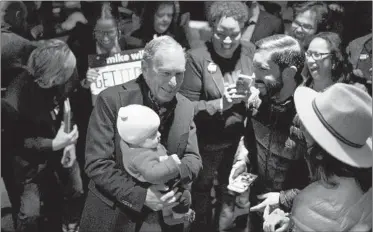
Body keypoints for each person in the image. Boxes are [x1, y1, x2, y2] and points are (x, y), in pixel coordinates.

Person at [79, 35, 202, 232]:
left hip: (164, 219)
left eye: (179, 74)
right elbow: (97, 163)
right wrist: (142, 196)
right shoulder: (112, 100)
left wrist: (170, 181)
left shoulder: (185, 107)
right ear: (144, 69)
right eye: (165, 73)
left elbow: (193, 159)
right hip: (114, 217)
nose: (173, 82)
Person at [178, 1, 255, 231]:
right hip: (207, 143)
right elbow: (186, 107)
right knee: (201, 193)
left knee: (230, 192)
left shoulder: (249, 50)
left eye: (235, 34)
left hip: (240, 141)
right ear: (211, 29)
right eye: (221, 34)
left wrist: (255, 95)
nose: (228, 41)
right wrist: (220, 104)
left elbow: (261, 83)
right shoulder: (196, 57)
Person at [262, 83, 372, 232]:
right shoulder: (365, 184)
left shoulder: (308, 204)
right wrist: (294, 224)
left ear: (321, 152)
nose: (302, 130)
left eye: (311, 127)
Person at [3, 39, 84, 232]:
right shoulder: (13, 101)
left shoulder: (69, 72)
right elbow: (15, 143)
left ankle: (71, 225)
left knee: (76, 190)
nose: (73, 74)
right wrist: (53, 144)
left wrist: (69, 143)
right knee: (30, 214)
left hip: (61, 142)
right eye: (68, 72)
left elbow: (67, 103)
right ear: (50, 78)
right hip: (29, 162)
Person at [229, 34, 306, 231]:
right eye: (254, 67)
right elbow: (248, 140)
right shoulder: (255, 102)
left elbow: (326, 181)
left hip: (296, 216)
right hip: (258, 204)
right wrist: (242, 161)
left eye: (263, 70)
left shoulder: (311, 117)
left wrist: (283, 199)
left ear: (289, 73)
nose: (254, 78)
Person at [67, 2, 127, 191]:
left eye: (111, 32)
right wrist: (84, 82)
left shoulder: (133, 45)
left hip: (122, 119)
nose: (106, 37)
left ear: (118, 27)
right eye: (100, 32)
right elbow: (67, 87)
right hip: (91, 120)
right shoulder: (77, 45)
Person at [116, 104, 195, 225]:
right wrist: (172, 162)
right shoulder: (140, 157)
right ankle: (178, 216)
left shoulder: (138, 145)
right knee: (185, 196)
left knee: (173, 203)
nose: (159, 135)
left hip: (163, 184)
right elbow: (154, 174)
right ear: (137, 139)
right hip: (160, 186)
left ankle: (174, 216)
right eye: (152, 134)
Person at [125, 1, 190, 49]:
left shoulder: (179, 35)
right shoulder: (136, 37)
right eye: (161, 15)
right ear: (151, 16)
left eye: (169, 15)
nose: (166, 19)